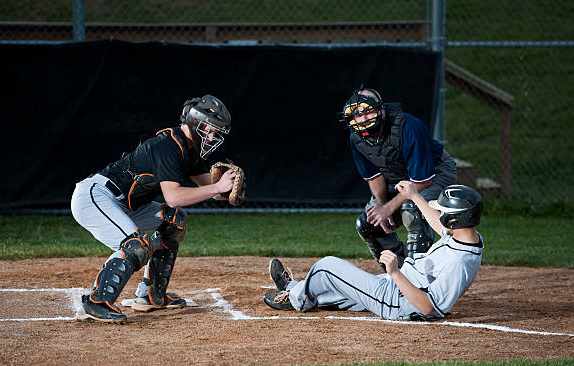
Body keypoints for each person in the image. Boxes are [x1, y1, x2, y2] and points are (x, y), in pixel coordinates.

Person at [72, 94, 237, 323]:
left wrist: (227, 190)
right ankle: (95, 302)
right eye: (209, 129)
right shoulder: (168, 145)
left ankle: (151, 295)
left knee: (174, 220)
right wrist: (218, 187)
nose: (212, 136)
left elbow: (210, 189)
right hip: (96, 197)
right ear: (194, 122)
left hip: (126, 204)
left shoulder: (189, 149)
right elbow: (174, 197)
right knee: (136, 246)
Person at [263, 182, 484, 321]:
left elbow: (428, 307)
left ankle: (293, 297)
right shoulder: (466, 236)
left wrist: (395, 273)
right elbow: (442, 226)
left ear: (455, 218)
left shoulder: (459, 263)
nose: (439, 212)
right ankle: (296, 289)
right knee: (339, 291)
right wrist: (414, 196)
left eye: (443, 210)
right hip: (398, 289)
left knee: (327, 267)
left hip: (399, 302)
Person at [341, 87, 458, 269]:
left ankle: (419, 274)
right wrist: (381, 206)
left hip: (435, 171)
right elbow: (375, 176)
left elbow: (422, 180)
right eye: (357, 115)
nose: (363, 119)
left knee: (412, 210)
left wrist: (389, 208)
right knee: (368, 222)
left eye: (368, 111)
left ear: (381, 109)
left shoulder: (408, 126)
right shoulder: (356, 138)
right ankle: (399, 271)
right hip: (395, 177)